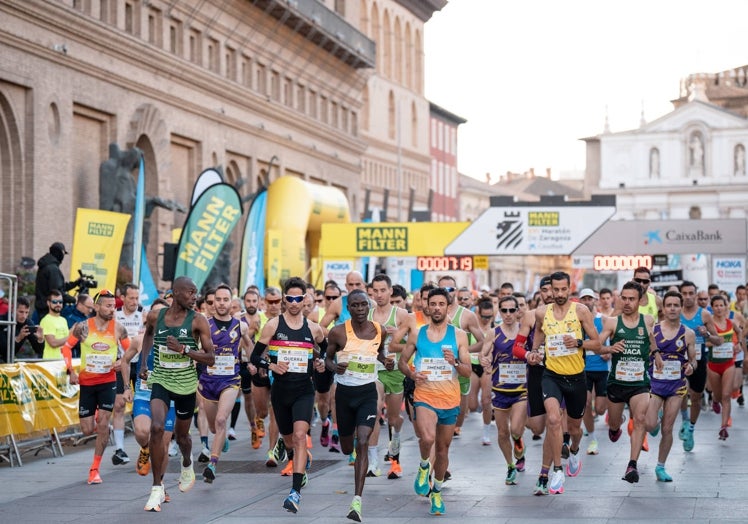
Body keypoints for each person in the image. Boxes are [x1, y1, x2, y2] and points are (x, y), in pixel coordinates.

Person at [138, 276, 216, 512]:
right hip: (161, 378)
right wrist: (143, 363)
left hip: (185, 384)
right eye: (191, 293)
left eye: (196, 293)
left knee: (182, 437)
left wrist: (184, 349)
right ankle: (156, 488)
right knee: (157, 428)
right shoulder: (156, 316)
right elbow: (148, 335)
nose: (195, 297)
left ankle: (186, 462)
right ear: (176, 293)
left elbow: (210, 357)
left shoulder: (198, 321)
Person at [251, 277, 327, 514]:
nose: (294, 303)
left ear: (305, 299)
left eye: (299, 298)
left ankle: (295, 492)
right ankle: (295, 456)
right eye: (290, 298)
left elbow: (324, 350)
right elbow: (255, 357)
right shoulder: (273, 325)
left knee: (300, 434)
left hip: (304, 390)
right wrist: (272, 366)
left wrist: (320, 361)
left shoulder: (313, 328)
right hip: (281, 391)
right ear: (285, 299)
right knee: (289, 439)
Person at [399, 287, 471, 516]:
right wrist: (412, 375)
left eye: (442, 304)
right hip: (425, 396)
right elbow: (402, 362)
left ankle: (437, 491)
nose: (437, 308)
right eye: (434, 304)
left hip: (450, 400)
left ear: (448, 308)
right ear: (427, 307)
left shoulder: (459, 335)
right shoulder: (418, 334)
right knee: (427, 437)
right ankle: (423, 465)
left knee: (442, 450)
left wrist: (456, 362)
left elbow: (468, 371)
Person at [527, 271, 600, 495]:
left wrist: (578, 342)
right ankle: (557, 469)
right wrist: (535, 352)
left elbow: (596, 343)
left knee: (576, 429)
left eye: (562, 289)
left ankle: (575, 449)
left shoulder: (581, 311)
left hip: (577, 376)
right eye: (555, 289)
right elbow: (538, 336)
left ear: (570, 289)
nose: (558, 294)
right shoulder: (542, 312)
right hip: (552, 375)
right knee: (553, 419)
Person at [325, 289, 389, 522]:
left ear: (369, 307)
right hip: (344, 395)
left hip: (367, 394)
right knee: (346, 447)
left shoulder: (378, 330)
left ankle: (357, 500)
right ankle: (342, 436)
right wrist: (335, 367)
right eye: (355, 306)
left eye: (364, 305)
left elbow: (379, 354)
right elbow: (327, 359)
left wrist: (387, 362)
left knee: (362, 440)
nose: (360, 309)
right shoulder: (338, 332)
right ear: (348, 308)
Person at [59, 289, 130, 485]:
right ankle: (97, 413)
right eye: (108, 306)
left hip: (108, 383)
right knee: (87, 430)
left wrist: (121, 362)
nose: (112, 310)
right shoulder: (83, 327)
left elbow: (130, 352)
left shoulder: (118, 329)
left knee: (103, 425)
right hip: (87, 384)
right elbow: (65, 347)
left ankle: (94, 469)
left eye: (114, 307)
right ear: (97, 307)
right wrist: (70, 370)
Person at [598, 281, 659, 483]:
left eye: (631, 299)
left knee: (640, 419)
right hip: (617, 382)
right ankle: (616, 426)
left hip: (639, 382)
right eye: (623, 298)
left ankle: (632, 465)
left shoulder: (648, 320)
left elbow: (651, 339)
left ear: (640, 301)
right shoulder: (613, 322)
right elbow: (597, 345)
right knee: (614, 424)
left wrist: (656, 353)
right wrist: (609, 349)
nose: (626, 302)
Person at [198, 284, 253, 482]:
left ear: (232, 302)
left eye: (225, 300)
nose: (221, 303)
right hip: (208, 381)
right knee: (214, 427)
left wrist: (256, 363)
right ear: (212, 303)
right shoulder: (203, 324)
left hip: (230, 380)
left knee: (221, 420)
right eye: (217, 300)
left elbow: (249, 347)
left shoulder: (240, 326)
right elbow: (194, 349)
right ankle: (219, 440)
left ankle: (212, 464)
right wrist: (205, 349)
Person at [644, 291, 695, 482]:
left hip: (676, 386)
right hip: (655, 384)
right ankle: (655, 418)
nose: (672, 308)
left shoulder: (688, 334)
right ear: (663, 308)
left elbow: (694, 360)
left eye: (676, 305)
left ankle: (661, 467)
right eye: (669, 305)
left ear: (681, 307)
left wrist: (691, 366)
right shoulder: (654, 331)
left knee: (667, 428)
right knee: (650, 425)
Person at [121, 299, 175, 480]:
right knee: (142, 432)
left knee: (163, 446)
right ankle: (145, 448)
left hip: (169, 398)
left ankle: (159, 486)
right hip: (144, 395)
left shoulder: (176, 340)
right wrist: (126, 387)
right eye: (155, 314)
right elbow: (125, 361)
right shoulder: (139, 340)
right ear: (149, 317)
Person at [367, 274, 410, 479]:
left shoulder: (401, 315)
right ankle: (373, 461)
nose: (379, 294)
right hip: (374, 369)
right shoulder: (366, 315)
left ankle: (396, 446)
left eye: (383, 290)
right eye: (375, 291)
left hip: (395, 371)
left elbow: (413, 344)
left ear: (390, 291)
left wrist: (396, 336)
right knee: (374, 410)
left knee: (394, 418)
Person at [483, 295, 527, 485]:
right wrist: (484, 360)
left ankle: (518, 439)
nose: (508, 314)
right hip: (500, 388)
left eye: (512, 310)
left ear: (518, 311)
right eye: (504, 310)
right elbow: (483, 354)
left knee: (515, 428)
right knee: (502, 433)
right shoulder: (493, 333)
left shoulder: (526, 332)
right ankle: (510, 466)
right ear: (499, 312)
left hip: (521, 389)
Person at [678, 281, 723, 451]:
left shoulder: (704, 315)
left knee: (696, 397)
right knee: (681, 391)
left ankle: (691, 429)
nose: (688, 297)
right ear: (680, 295)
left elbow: (719, 341)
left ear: (696, 295)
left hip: (698, 360)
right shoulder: (675, 312)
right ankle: (683, 418)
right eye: (685, 293)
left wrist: (708, 335)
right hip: (679, 360)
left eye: (691, 293)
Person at [111, 283, 144, 466]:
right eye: (131, 297)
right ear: (122, 297)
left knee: (141, 405)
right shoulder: (115, 315)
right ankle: (119, 449)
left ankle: (145, 446)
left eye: (136, 298)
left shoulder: (144, 314)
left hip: (140, 365)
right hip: (121, 363)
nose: (134, 301)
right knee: (119, 406)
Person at [577, 288, 610, 456]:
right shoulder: (576, 320)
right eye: (584, 299)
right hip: (583, 369)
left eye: (590, 298)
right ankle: (592, 438)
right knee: (585, 404)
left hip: (602, 369)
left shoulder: (603, 320)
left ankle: (612, 418)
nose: (587, 301)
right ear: (580, 301)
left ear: (595, 300)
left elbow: (614, 337)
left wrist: (608, 352)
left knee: (601, 409)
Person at [706, 294, 742, 439]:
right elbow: (704, 342)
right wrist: (715, 342)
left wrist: (738, 344)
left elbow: (739, 332)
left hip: (728, 363)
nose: (719, 308)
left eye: (722, 305)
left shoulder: (731, 322)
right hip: (713, 364)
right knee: (719, 394)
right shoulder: (709, 324)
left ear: (726, 307)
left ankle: (723, 426)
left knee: (726, 396)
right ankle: (714, 400)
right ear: (712, 308)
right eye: (716, 306)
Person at [34, 242, 76, 320]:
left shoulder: (46, 266)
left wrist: (75, 283)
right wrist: (74, 300)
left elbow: (58, 286)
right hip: (49, 310)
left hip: (42, 308)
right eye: (63, 254)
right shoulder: (53, 269)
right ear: (60, 253)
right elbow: (57, 292)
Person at [40, 290, 71, 359]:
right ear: (48, 303)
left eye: (60, 302)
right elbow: (53, 343)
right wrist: (72, 336)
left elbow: (68, 342)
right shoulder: (46, 320)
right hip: (51, 362)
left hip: (64, 361)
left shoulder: (63, 320)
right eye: (54, 302)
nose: (58, 304)